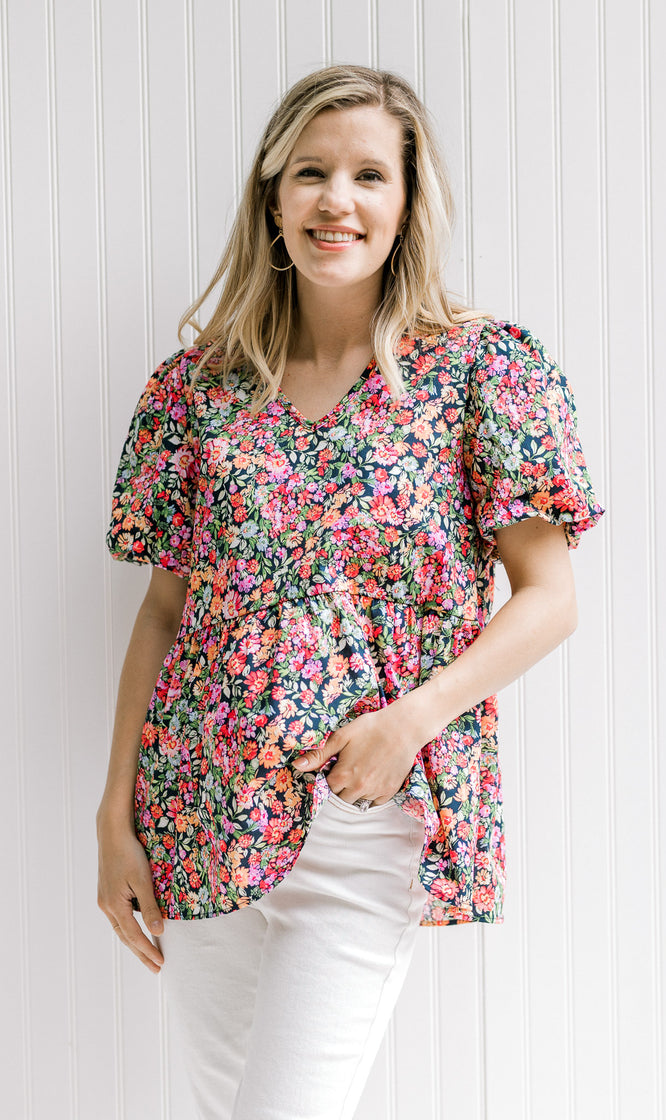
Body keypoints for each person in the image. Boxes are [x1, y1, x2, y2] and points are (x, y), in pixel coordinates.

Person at [96, 64, 604, 1120]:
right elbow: (162, 611)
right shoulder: (199, 391)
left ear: (406, 202)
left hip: (363, 816)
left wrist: (410, 721)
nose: (338, 199)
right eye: (312, 172)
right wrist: (114, 817)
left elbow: (546, 596)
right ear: (271, 197)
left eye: (370, 174)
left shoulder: (478, 371)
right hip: (195, 810)